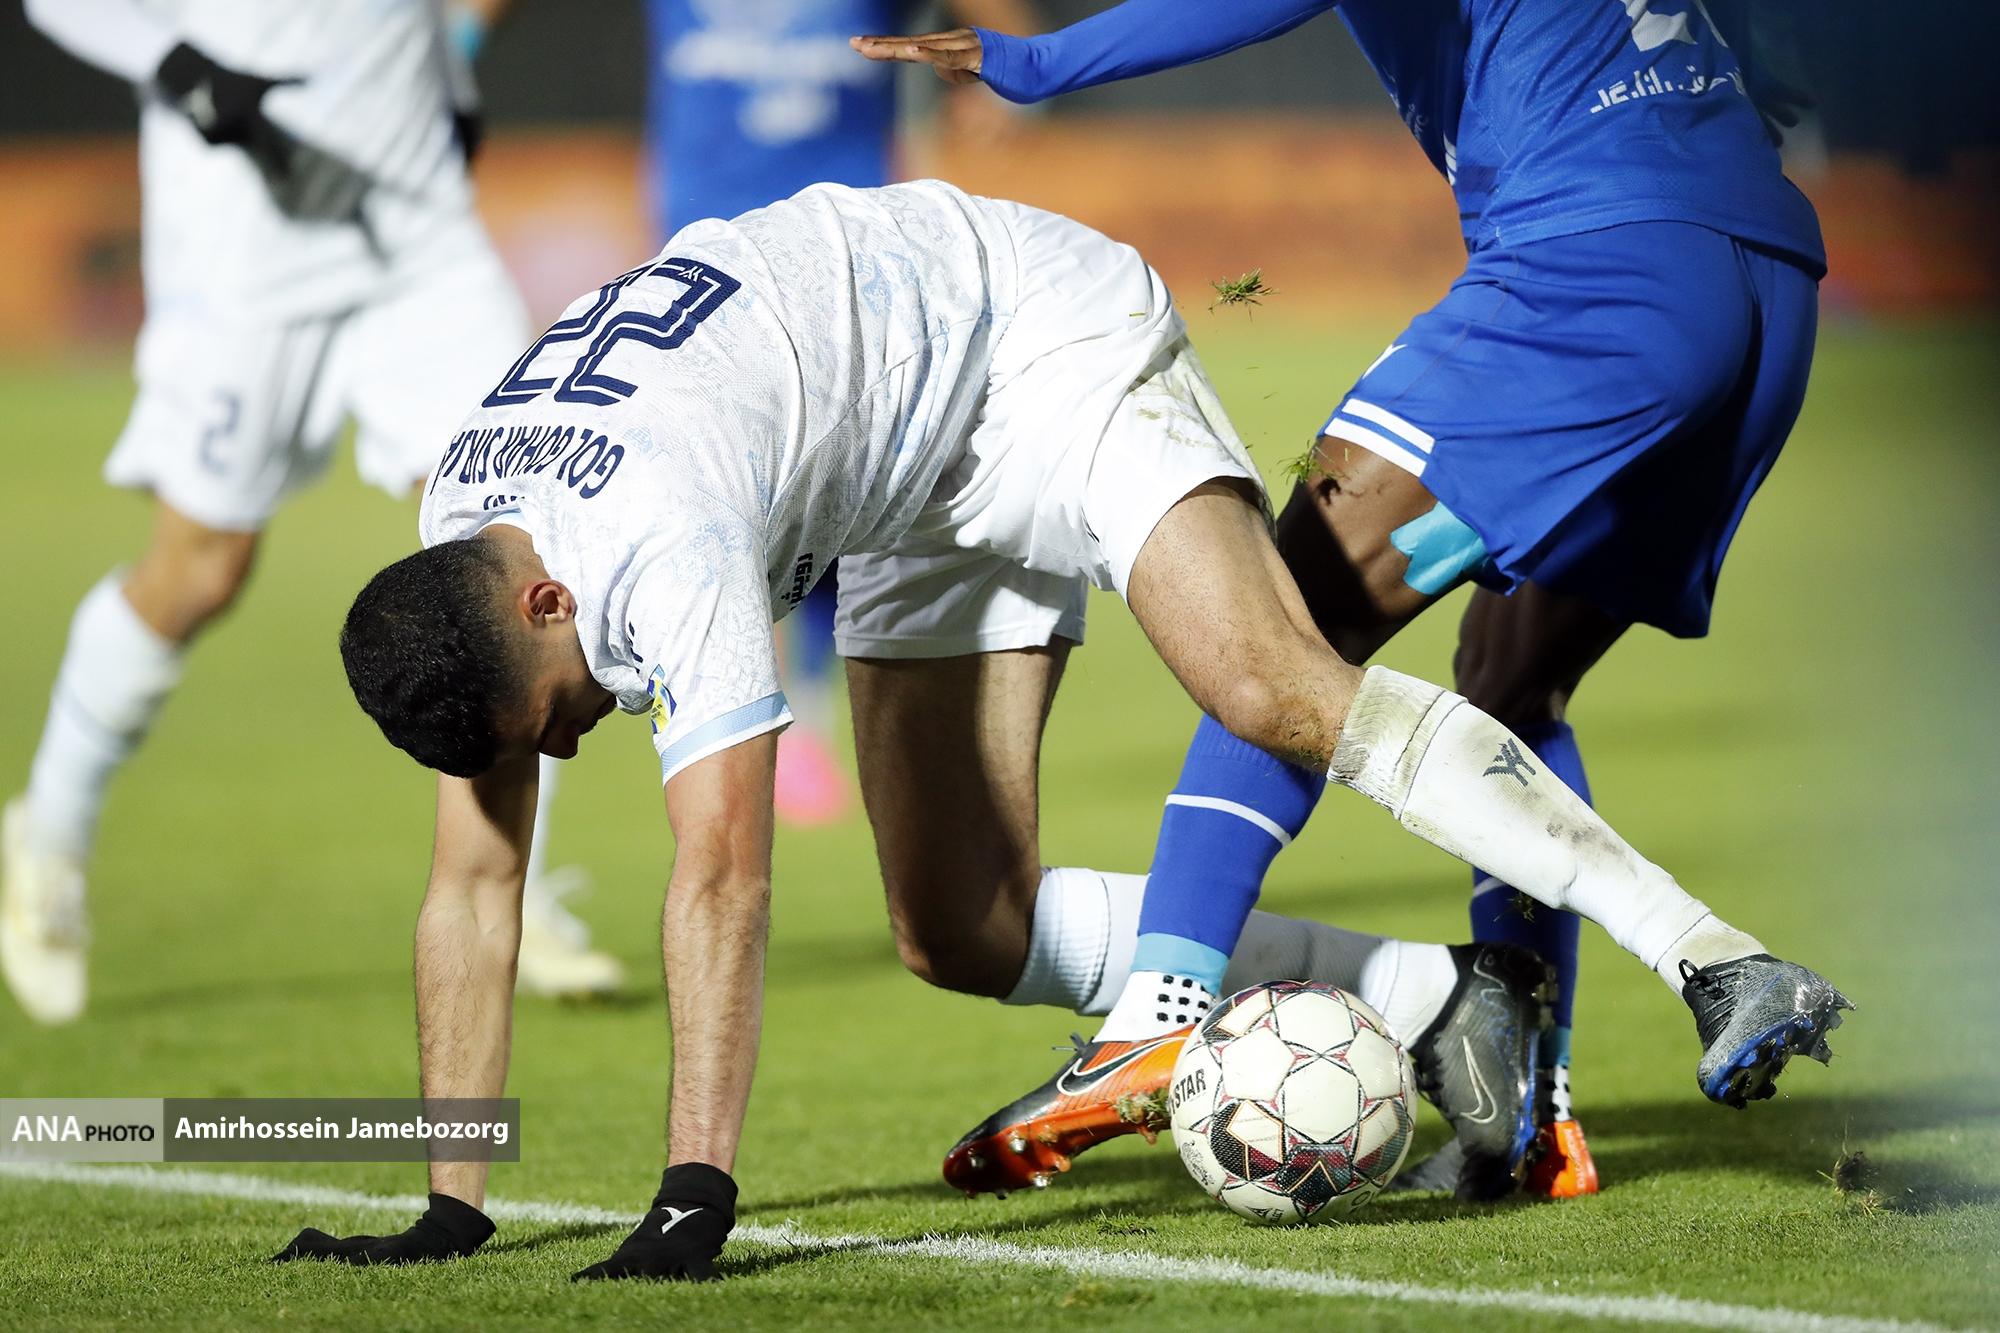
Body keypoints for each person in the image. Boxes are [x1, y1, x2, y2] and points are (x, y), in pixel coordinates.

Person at [277, 179, 1843, 1277]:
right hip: (890, 467)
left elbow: (721, 876)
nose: (562, 751)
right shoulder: (464, 542)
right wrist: (451, 1204)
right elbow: (472, 882)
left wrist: (694, 1196)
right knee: (961, 926)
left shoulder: (653, 537)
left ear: (549, 602)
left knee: (1268, 682)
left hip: (1027, 339)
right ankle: (1447, 998)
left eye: (552, 723)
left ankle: (1704, 949)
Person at [856, 0, 1833, 1197]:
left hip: (1590, 271)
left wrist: (1042, 59)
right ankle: (1529, 1118)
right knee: (1515, 682)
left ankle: (1158, 1014)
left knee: (1273, 630)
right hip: (1763, 286)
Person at [1, 0, 621, 1024]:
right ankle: (49, 842)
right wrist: (178, 63)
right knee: (201, 569)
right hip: (249, 242)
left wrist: (455, 62)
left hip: (414, 226)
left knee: (514, 538)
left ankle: (514, 882)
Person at [644, 0, 1040, 825]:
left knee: (850, 493)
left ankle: (819, 719)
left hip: (849, 253)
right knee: (733, 496)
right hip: (706, 250)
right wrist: (458, 43)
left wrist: (1010, 67)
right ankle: (754, 721)